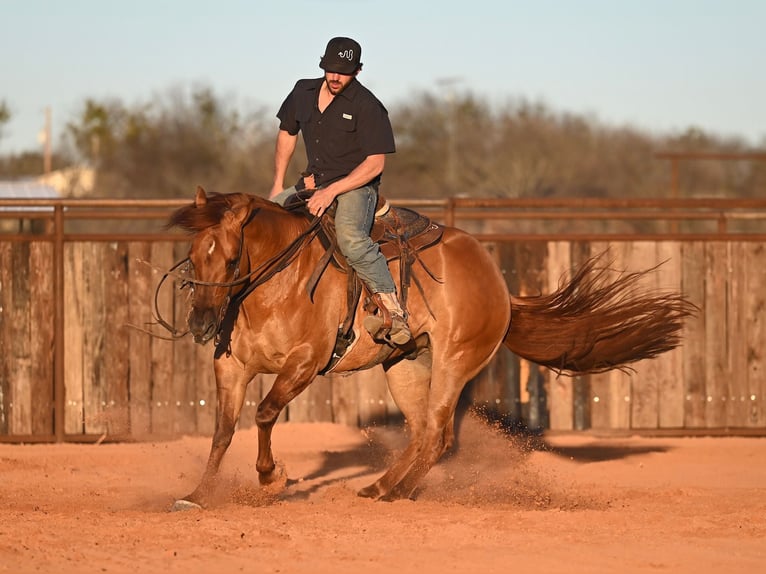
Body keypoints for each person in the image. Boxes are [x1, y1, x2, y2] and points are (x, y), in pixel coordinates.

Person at [268, 36, 412, 346]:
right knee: (261, 220)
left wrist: (332, 191)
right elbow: (286, 133)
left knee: (350, 236)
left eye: (343, 72)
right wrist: (278, 184)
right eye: (330, 69)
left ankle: (393, 310)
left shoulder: (368, 106)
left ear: (358, 71)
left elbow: (375, 164)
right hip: (311, 182)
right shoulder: (302, 92)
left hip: (355, 186)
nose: (335, 77)